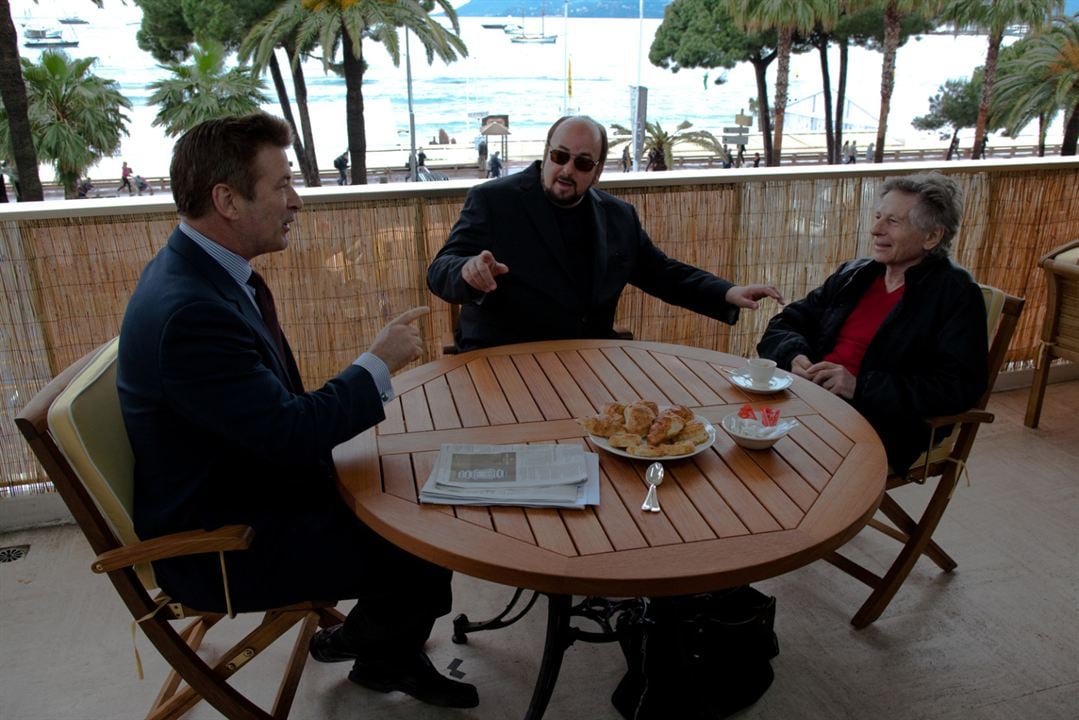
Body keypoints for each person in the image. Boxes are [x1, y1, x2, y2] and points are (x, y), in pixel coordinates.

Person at [116, 113, 478, 709]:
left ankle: (374, 645)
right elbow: (289, 434)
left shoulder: (205, 277)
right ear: (227, 199)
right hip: (226, 544)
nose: (297, 200)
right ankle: (375, 650)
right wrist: (377, 365)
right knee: (423, 539)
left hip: (247, 488)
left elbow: (273, 419)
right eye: (282, 184)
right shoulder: (193, 314)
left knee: (412, 489)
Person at [427, 115, 784, 352]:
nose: (567, 169)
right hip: (504, 362)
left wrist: (727, 292)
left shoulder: (618, 216)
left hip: (590, 363)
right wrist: (466, 271)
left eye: (582, 163)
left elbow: (662, 273)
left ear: (596, 173)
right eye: (560, 155)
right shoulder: (494, 200)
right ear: (546, 153)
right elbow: (440, 270)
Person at [757, 172, 988, 476]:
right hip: (808, 401)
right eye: (878, 216)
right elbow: (785, 323)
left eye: (893, 222)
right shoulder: (856, 275)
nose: (875, 229)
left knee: (775, 471)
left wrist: (859, 386)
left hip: (878, 424)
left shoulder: (956, 295)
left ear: (932, 236)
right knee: (726, 438)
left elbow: (958, 387)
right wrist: (794, 356)